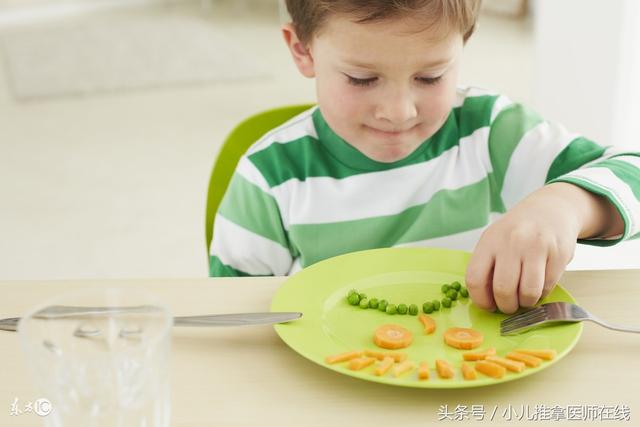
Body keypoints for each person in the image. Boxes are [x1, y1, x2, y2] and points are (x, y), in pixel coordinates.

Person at [209, 0, 640, 314]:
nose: (399, 111)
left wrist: (565, 205)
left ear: (463, 45)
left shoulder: (491, 133)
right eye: (362, 78)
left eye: (430, 76)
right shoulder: (270, 176)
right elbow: (233, 316)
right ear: (303, 51)